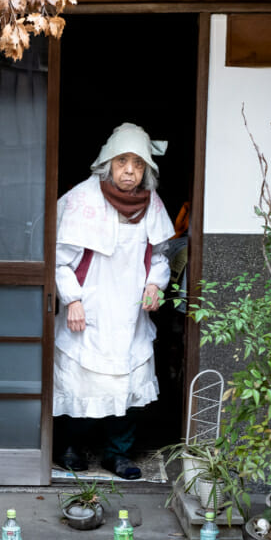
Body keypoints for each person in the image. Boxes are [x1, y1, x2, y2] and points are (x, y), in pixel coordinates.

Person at [53, 123, 175, 480]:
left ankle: (117, 454)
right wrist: (71, 300)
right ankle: (69, 447)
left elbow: (162, 255)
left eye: (138, 164)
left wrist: (155, 284)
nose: (129, 171)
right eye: (123, 161)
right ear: (108, 163)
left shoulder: (151, 204)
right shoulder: (82, 199)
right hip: (88, 308)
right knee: (79, 378)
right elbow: (59, 258)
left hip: (129, 310)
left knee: (127, 381)